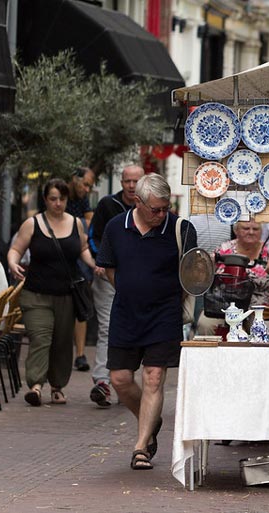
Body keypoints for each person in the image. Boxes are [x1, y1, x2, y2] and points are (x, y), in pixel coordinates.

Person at [96, 174, 197, 470]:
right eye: (155, 209)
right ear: (137, 202)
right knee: (120, 380)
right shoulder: (116, 227)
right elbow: (108, 269)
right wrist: (131, 288)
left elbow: (192, 274)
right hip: (125, 313)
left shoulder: (180, 228)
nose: (161, 214)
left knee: (153, 377)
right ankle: (149, 418)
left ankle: (141, 447)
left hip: (164, 314)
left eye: (165, 208)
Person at [8, 178, 96, 407]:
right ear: (45, 200)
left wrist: (95, 265)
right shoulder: (32, 223)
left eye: (62, 199)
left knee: (62, 342)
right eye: (53, 199)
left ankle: (57, 387)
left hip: (66, 295)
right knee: (40, 337)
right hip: (36, 294)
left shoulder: (77, 223)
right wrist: (12, 263)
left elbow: (83, 248)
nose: (58, 203)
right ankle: (35, 386)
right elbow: (16, 249)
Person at [87, 164, 144, 407]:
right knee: (107, 327)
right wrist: (101, 260)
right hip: (109, 276)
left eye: (135, 181)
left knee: (135, 327)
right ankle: (102, 382)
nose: (131, 186)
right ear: (121, 182)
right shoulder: (107, 205)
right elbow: (93, 236)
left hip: (140, 281)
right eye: (127, 181)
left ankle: (125, 379)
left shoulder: (151, 208)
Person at [67, 167, 96, 372]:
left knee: (81, 304)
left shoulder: (82, 199)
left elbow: (89, 221)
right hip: (60, 254)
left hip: (78, 252)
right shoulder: (59, 193)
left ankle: (80, 354)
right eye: (85, 184)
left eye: (90, 186)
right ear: (73, 179)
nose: (86, 189)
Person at [216, 220, 269, 308]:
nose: (251, 232)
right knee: (204, 321)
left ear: (261, 232)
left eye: (255, 229)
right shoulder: (224, 249)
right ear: (236, 231)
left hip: (266, 310)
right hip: (228, 307)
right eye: (246, 228)